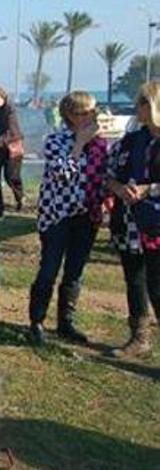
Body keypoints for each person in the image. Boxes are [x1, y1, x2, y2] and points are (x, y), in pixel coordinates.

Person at [28, 91, 108, 345]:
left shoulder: (101, 144)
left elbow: (105, 176)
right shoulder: (55, 141)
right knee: (49, 268)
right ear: (71, 115)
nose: (93, 116)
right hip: (58, 216)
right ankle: (37, 321)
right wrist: (79, 145)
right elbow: (63, 174)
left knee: (75, 271)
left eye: (95, 111)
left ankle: (66, 322)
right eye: (87, 112)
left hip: (87, 214)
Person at [105, 82, 160, 358]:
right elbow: (108, 172)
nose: (137, 107)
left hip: (156, 223)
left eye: (142, 102)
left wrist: (149, 188)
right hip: (129, 221)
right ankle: (139, 337)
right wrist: (117, 188)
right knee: (135, 280)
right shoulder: (131, 140)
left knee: (157, 285)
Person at [0, 87, 25, 211]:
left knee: (11, 176)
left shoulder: (9, 111)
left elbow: (12, 131)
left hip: (12, 147)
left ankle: (20, 198)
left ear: (3, 99)